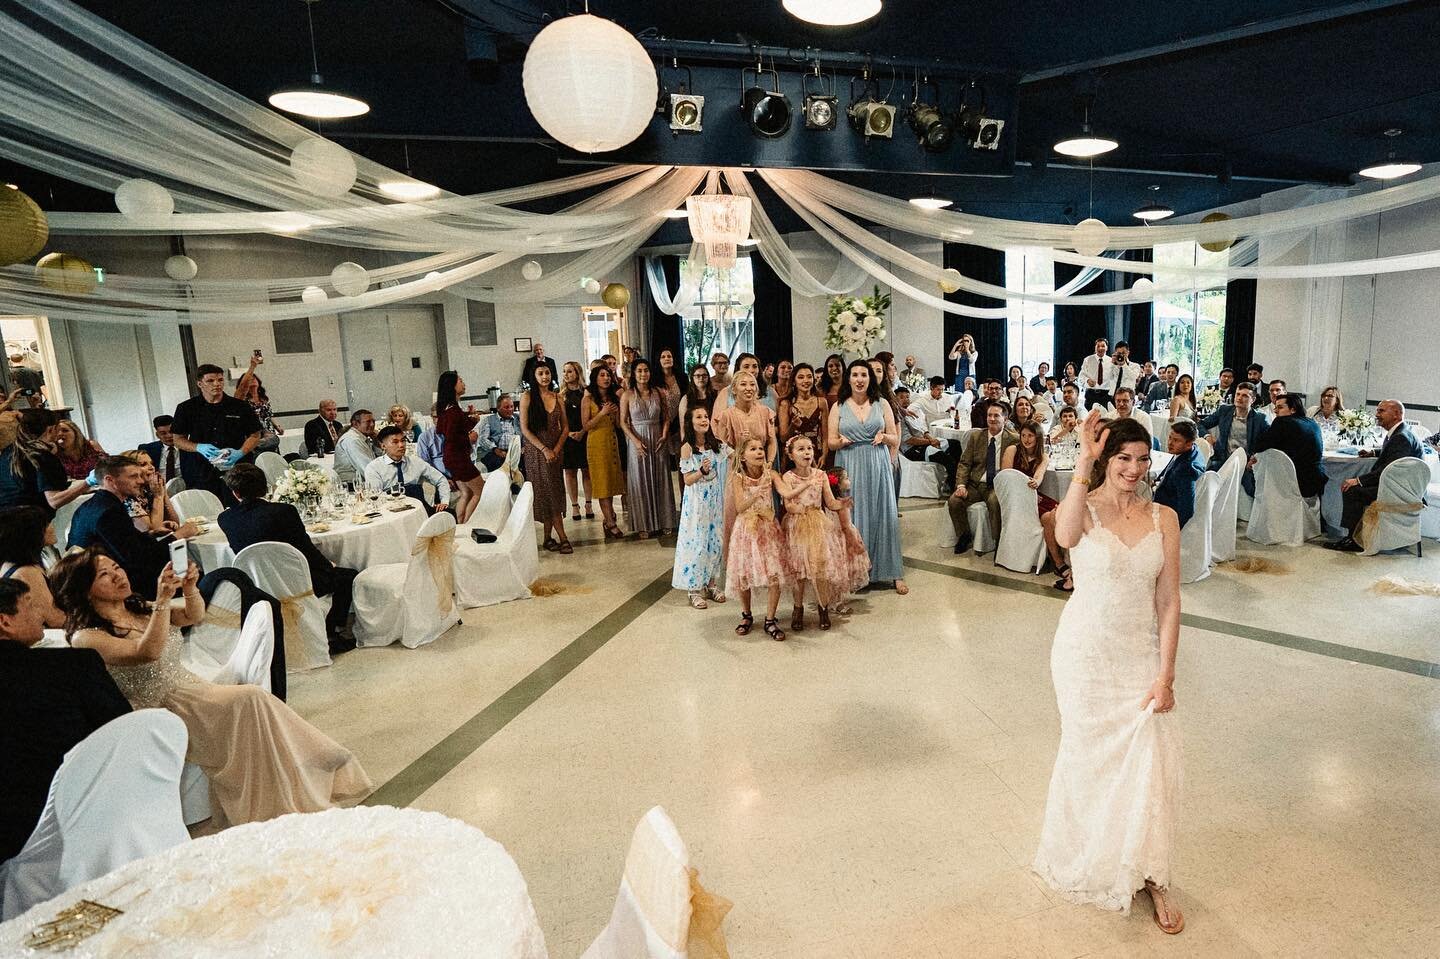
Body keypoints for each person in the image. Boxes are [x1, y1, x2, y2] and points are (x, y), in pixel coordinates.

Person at [52, 550, 372, 829]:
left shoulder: (135, 607)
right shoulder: (87, 636)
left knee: (254, 704)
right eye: (104, 575)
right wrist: (162, 601)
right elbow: (145, 652)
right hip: (161, 710)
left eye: (115, 567)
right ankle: (315, 764)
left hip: (190, 688)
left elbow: (195, 615)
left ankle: (308, 769)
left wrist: (189, 588)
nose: (117, 576)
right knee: (252, 698)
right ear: (84, 590)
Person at [1033, 412, 1183, 935]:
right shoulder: (1086, 508)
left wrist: (1165, 675)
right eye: (1124, 458)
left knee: (1148, 763)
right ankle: (1093, 854)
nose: (1135, 469)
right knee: (1087, 756)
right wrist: (1083, 462)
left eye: (1143, 459)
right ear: (1106, 458)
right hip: (1083, 655)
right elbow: (1067, 533)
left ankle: (1152, 873)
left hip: (1136, 655)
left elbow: (1168, 601)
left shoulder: (1164, 517)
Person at [0, 577, 131, 864]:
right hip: (77, 821)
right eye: (30, 606)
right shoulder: (74, 666)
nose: (41, 614)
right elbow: (124, 732)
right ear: (5, 623)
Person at [217, 465, 358, 653]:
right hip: (297, 582)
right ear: (265, 488)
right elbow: (304, 549)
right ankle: (330, 631)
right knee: (348, 576)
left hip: (258, 585)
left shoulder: (225, 519)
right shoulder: (284, 511)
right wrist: (328, 566)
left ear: (235, 493)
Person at [829, 359, 907, 594]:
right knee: (852, 516)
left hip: (877, 462)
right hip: (849, 463)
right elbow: (830, 442)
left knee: (883, 513)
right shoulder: (838, 406)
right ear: (849, 379)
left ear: (870, 379)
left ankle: (892, 572)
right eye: (855, 375)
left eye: (864, 375)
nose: (860, 379)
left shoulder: (882, 403)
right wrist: (840, 442)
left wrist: (884, 437)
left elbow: (895, 438)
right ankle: (855, 572)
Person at [781, 434, 859, 632]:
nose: (807, 452)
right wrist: (799, 510)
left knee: (819, 568)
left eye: (809, 448)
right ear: (791, 455)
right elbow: (788, 505)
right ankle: (797, 609)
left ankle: (823, 608)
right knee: (798, 570)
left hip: (817, 524)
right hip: (797, 525)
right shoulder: (788, 477)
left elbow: (830, 502)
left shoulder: (820, 475)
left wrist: (842, 503)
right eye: (801, 449)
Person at [66, 455, 170, 599]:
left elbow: (123, 542)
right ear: (110, 480)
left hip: (98, 580)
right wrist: (176, 538)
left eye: (140, 476)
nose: (140, 481)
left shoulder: (91, 505)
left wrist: (149, 535)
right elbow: (137, 559)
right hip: (112, 588)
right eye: (133, 476)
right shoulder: (109, 512)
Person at [1325, 399, 1423, 552]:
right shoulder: (1401, 432)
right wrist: (1374, 452)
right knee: (1355, 487)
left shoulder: (1400, 437)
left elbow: (1388, 469)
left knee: (1351, 490)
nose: (1377, 415)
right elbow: (1394, 454)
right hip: (1401, 486)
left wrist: (1358, 480)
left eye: (1381, 411)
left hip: (1399, 491)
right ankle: (1356, 536)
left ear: (1397, 414)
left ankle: (1354, 540)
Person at [726, 437, 791, 641]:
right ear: (743, 457)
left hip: (768, 528)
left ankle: (770, 619)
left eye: (761, 448)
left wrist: (806, 483)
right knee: (744, 574)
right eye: (753, 449)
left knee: (774, 574)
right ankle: (746, 614)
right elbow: (739, 507)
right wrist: (756, 494)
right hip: (746, 529)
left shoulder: (770, 474)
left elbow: (785, 491)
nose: (759, 452)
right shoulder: (738, 477)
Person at [169, 364, 262, 500]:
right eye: (210, 381)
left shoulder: (240, 407)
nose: (217, 384)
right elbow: (178, 439)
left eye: (220, 380)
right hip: (201, 471)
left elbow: (255, 435)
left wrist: (240, 452)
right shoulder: (186, 408)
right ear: (200, 384)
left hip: (237, 470)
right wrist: (198, 447)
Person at [672, 405, 728, 609]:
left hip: (714, 500)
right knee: (697, 541)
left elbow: (735, 456)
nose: (704, 420)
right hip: (697, 503)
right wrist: (702, 472)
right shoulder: (687, 447)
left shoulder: (716, 445)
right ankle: (694, 588)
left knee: (714, 541)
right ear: (690, 422)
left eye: (706, 416)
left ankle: (711, 583)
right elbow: (687, 479)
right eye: (699, 417)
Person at [948, 403, 1017, 554]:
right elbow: (964, 463)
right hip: (976, 483)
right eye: (989, 415)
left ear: (1005, 419)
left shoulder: (1013, 439)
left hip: (997, 485)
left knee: (994, 502)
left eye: (996, 415)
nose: (992, 419)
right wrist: (961, 485)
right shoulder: (976, 436)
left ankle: (998, 542)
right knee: (954, 501)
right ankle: (964, 535)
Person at [620, 358, 675, 540]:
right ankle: (643, 524)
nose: (643, 374)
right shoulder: (627, 395)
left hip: (657, 438)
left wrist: (664, 435)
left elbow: (666, 417)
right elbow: (622, 422)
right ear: (634, 374)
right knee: (640, 481)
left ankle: (665, 521)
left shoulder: (658, 392)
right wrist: (634, 441)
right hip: (637, 441)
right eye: (640, 371)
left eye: (646, 370)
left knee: (661, 479)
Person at [519, 364, 571, 553]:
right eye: (540, 373)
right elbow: (525, 429)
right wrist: (544, 449)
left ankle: (548, 538)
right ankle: (563, 538)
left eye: (547, 373)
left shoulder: (558, 396)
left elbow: (565, 427)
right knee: (547, 491)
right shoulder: (527, 397)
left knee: (555, 491)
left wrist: (556, 449)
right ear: (534, 376)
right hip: (536, 451)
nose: (544, 376)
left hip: (555, 449)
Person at [0, 409, 87, 517]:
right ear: (50, 430)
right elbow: (54, 500)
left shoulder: (9, 452)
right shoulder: (42, 457)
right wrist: (88, 483)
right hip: (29, 519)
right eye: (57, 429)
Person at [1196, 381, 1268, 496]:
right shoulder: (1225, 410)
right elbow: (1201, 424)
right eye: (1238, 394)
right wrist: (1207, 436)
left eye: (1245, 396)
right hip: (1223, 459)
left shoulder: (1260, 418)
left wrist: (1255, 457)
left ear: (1253, 400)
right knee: (1204, 483)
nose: (1239, 398)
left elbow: (1268, 442)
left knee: (1253, 491)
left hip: (1245, 464)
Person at [1250, 392, 1326, 498]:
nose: (1275, 410)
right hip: (1317, 480)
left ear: (1293, 409)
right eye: (1275, 407)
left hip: (1295, 482)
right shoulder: (1311, 423)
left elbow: (1259, 445)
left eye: (1280, 407)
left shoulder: (1282, 422)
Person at [0, 505, 65, 628]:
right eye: (46, 524)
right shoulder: (27, 572)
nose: (52, 527)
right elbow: (55, 619)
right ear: (33, 534)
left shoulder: (14, 562)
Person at [581, 365, 626, 539]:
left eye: (608, 375)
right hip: (596, 443)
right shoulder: (588, 398)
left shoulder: (612, 397)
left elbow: (616, 424)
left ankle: (609, 518)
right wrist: (602, 413)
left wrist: (614, 414)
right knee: (602, 484)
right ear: (595, 378)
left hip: (612, 441)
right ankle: (610, 521)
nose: (606, 378)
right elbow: (586, 425)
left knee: (613, 481)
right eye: (602, 375)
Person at [362, 426, 450, 514]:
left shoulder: (416, 462)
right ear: (383, 446)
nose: (401, 445)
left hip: (420, 510)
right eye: (395, 442)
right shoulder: (374, 467)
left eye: (403, 440)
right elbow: (376, 496)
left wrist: (444, 502)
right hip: (391, 512)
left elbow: (441, 479)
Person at [435, 371, 483, 525]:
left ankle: (460, 523)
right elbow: (452, 436)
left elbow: (453, 429)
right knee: (480, 491)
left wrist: (471, 421)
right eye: (460, 380)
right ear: (453, 386)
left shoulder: (448, 409)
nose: (463, 383)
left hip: (452, 458)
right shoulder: (453, 412)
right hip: (458, 458)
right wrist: (470, 438)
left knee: (466, 493)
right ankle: (467, 525)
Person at [712, 370, 778, 472]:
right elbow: (722, 446)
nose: (748, 388)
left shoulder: (766, 412)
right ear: (734, 389)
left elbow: (772, 442)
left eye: (752, 384)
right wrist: (741, 460)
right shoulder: (726, 416)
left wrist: (769, 462)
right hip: (736, 468)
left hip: (762, 467)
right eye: (743, 384)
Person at [123, 449, 196, 537]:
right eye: (143, 464)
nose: (152, 467)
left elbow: (176, 522)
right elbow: (154, 530)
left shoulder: (148, 491)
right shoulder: (127, 498)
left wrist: (163, 491)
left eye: (151, 463)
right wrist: (158, 496)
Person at [1152, 421, 1207, 528]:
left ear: (1188, 444)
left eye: (1176, 440)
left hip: (1164, 512)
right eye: (1170, 437)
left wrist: (1171, 529)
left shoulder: (1184, 471)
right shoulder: (1192, 450)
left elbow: (1186, 510)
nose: (1170, 443)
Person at [559, 361, 593, 522]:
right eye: (564, 371)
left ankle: (588, 503)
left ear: (577, 373)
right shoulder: (560, 394)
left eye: (570, 371)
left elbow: (591, 415)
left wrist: (582, 431)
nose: (566, 374)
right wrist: (568, 433)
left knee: (587, 470)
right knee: (570, 472)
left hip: (584, 433)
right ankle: (574, 505)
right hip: (567, 436)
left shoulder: (586, 392)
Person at [778, 362, 829, 468]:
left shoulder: (822, 402)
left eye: (809, 377)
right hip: (794, 457)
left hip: (816, 454)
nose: (806, 381)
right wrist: (793, 426)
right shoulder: (786, 404)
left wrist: (824, 455)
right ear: (794, 382)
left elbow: (825, 435)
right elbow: (783, 438)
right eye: (801, 377)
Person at [140, 414, 208, 489]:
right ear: (157, 435)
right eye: (163, 433)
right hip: (157, 491)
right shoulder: (147, 450)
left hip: (187, 491)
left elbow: (201, 477)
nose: (169, 436)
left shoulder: (191, 448)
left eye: (172, 431)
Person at [1002, 421, 1057, 514]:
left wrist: (1035, 483)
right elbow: (1006, 478)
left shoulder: (1043, 456)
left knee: (1059, 509)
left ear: (1038, 437)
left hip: (1032, 493)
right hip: (1014, 495)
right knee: (1048, 515)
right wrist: (1026, 494)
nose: (1026, 439)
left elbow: (1038, 476)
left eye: (1030, 436)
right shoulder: (1012, 450)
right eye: (1023, 435)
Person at [235, 354, 284, 454]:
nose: (252, 380)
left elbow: (269, 415)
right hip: (254, 431)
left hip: (268, 430)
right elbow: (241, 391)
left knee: (272, 450)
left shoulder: (264, 399)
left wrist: (277, 426)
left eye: (254, 378)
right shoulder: (244, 399)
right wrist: (252, 366)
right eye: (250, 379)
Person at [475, 394, 521, 476]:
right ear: (498, 408)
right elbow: (482, 439)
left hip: (517, 452)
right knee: (499, 469)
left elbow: (525, 434)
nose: (510, 409)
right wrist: (495, 449)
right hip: (496, 452)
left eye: (512, 406)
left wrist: (524, 447)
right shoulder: (488, 420)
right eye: (506, 407)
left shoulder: (518, 418)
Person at [333, 409, 380, 486]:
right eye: (368, 422)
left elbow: (378, 459)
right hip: (352, 486)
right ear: (355, 424)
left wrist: (377, 442)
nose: (372, 425)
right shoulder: (352, 440)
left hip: (361, 482)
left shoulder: (362, 437)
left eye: (373, 421)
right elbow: (367, 469)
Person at [897, 386, 943, 462]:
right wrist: (930, 441)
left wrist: (930, 438)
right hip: (912, 449)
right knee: (945, 458)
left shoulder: (912, 412)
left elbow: (922, 429)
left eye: (907, 397)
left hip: (923, 442)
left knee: (954, 444)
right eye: (902, 397)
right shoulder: (899, 417)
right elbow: (908, 440)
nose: (906, 400)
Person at [416, 403, 449, 481]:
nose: (438, 420)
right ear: (431, 417)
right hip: (439, 476)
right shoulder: (425, 437)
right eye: (435, 417)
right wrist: (441, 479)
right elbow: (425, 464)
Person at [1079, 338, 1111, 409]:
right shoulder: (1087, 360)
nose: (1100, 348)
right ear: (1095, 348)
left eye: (1103, 346)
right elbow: (1081, 377)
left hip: (1106, 395)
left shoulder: (1111, 361)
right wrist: (1087, 380)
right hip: (1091, 394)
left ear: (1107, 348)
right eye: (1098, 346)